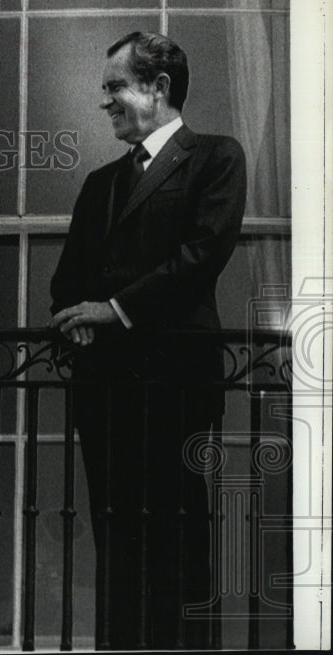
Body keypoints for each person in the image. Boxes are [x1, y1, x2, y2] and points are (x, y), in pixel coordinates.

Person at [49, 32, 246, 649]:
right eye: (105, 89)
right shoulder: (100, 184)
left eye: (115, 87)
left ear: (159, 87)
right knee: (117, 548)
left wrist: (113, 311)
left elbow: (201, 256)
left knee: (179, 543)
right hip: (105, 393)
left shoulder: (216, 157)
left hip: (175, 385)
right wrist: (75, 317)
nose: (105, 102)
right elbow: (66, 282)